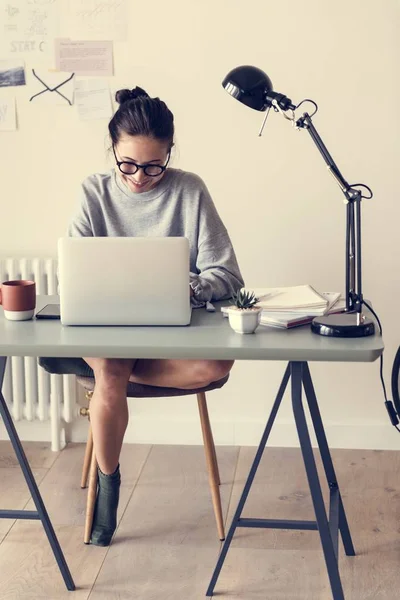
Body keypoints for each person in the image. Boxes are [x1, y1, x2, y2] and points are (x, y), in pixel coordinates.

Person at [44, 86, 244, 546]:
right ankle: (108, 486)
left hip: (171, 329)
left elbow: (227, 274)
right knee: (112, 370)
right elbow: (73, 270)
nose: (139, 177)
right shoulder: (93, 192)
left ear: (170, 153)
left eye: (154, 165)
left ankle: (107, 384)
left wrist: (187, 285)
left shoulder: (189, 189)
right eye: (128, 164)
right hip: (106, 328)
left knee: (215, 366)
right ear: (112, 150)